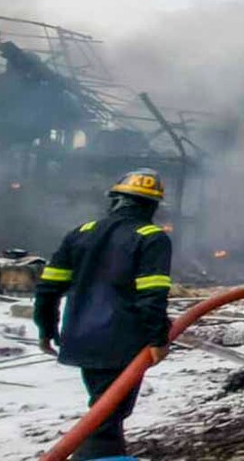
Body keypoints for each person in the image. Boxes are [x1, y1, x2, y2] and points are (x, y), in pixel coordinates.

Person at [33, 168, 173, 459]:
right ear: (152, 206)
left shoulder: (82, 233)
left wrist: (46, 328)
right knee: (106, 417)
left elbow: (48, 288)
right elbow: (151, 297)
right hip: (122, 341)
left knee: (105, 410)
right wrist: (159, 339)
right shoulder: (151, 238)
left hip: (82, 336)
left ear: (114, 201)